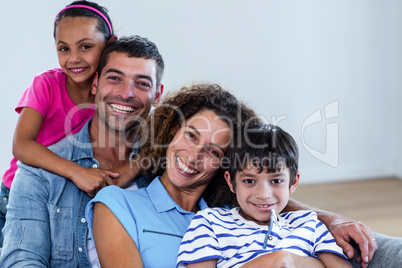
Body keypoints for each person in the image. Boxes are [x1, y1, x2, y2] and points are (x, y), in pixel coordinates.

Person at [0, 35, 164, 267]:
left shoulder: (169, 165)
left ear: (157, 95)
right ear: (95, 83)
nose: (126, 93)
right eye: (115, 78)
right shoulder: (37, 173)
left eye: (142, 83)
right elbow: (22, 260)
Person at [84, 83, 277, 267]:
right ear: (174, 130)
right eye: (191, 136)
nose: (193, 157)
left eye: (213, 152)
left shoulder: (233, 217)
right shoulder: (116, 204)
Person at [0, 0, 120, 247]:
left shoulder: (112, 96)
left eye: (85, 46)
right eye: (64, 49)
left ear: (110, 45)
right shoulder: (46, 85)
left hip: (63, 203)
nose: (74, 58)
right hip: (16, 195)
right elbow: (21, 146)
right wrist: (78, 172)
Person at [176, 123, 352, 268]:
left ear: (293, 182)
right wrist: (273, 262)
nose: (263, 194)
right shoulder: (209, 222)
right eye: (249, 181)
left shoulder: (309, 224)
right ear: (231, 182)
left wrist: (288, 261)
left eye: (276, 181)